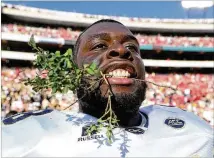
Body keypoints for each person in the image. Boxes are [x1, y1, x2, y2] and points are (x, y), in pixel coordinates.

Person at [2, 19, 213, 157]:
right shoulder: (30, 137)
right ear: (73, 75)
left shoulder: (193, 131)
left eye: (132, 47)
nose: (121, 50)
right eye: (99, 46)